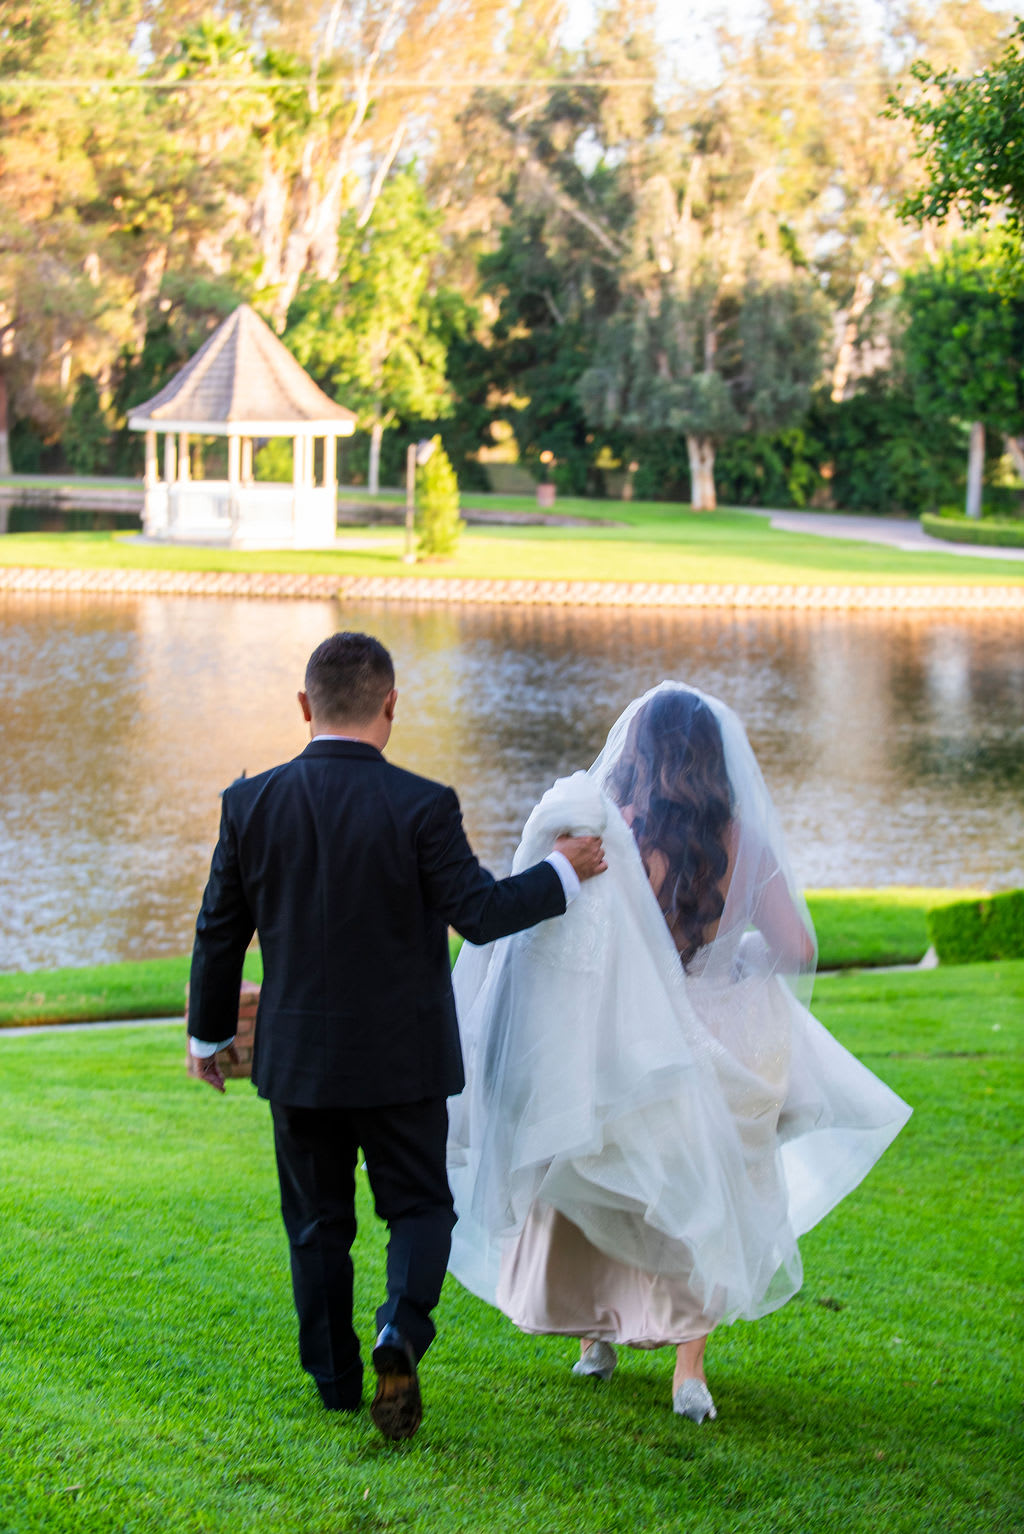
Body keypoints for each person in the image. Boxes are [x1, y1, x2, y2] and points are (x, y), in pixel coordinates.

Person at [447, 681, 912, 1424]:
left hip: (631, 1031)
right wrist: (741, 956)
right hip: (712, 1031)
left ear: (640, 752)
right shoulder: (744, 841)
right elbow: (797, 948)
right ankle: (688, 1375)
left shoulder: (614, 832)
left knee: (601, 1169)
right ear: (718, 761)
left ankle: (595, 1338)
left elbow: (578, 942)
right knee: (706, 1190)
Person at [187, 632, 607, 1441]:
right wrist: (561, 869)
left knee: (317, 1225)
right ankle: (399, 1329)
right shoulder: (424, 804)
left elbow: (218, 932)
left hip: (299, 1063)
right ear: (391, 705)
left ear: (305, 706)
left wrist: (208, 1038)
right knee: (419, 1207)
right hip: (403, 1063)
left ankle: (335, 1381)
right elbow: (479, 913)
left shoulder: (250, 805)